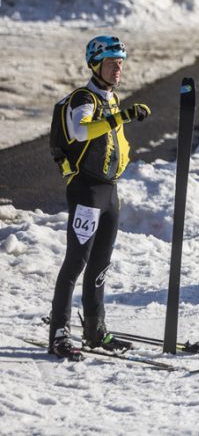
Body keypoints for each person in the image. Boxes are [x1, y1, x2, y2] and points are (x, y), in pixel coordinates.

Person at [47, 35, 151, 360]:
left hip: (110, 191)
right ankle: (59, 332)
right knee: (76, 261)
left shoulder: (112, 99)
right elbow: (80, 131)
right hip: (87, 191)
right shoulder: (85, 98)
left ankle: (95, 329)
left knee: (100, 265)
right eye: (110, 63)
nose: (117, 69)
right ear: (95, 65)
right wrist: (119, 118)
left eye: (120, 63)